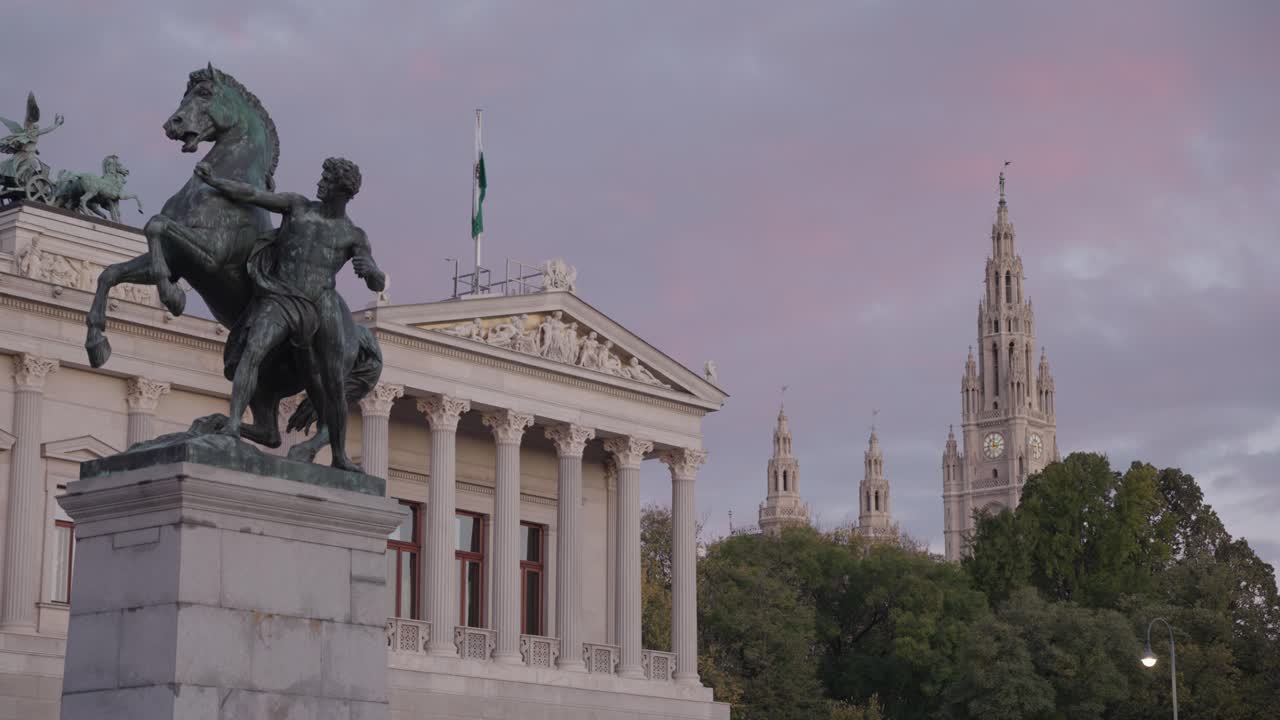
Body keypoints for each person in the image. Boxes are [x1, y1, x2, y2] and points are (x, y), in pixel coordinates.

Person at [194, 157, 385, 470]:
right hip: (282, 295)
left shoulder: (353, 235)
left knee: (334, 382)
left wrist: (372, 271)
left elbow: (375, 281)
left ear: (341, 190)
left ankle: (338, 455)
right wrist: (216, 181)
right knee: (252, 351)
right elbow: (253, 195)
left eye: (326, 180)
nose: (319, 183)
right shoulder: (297, 207)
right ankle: (231, 423)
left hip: (321, 303)